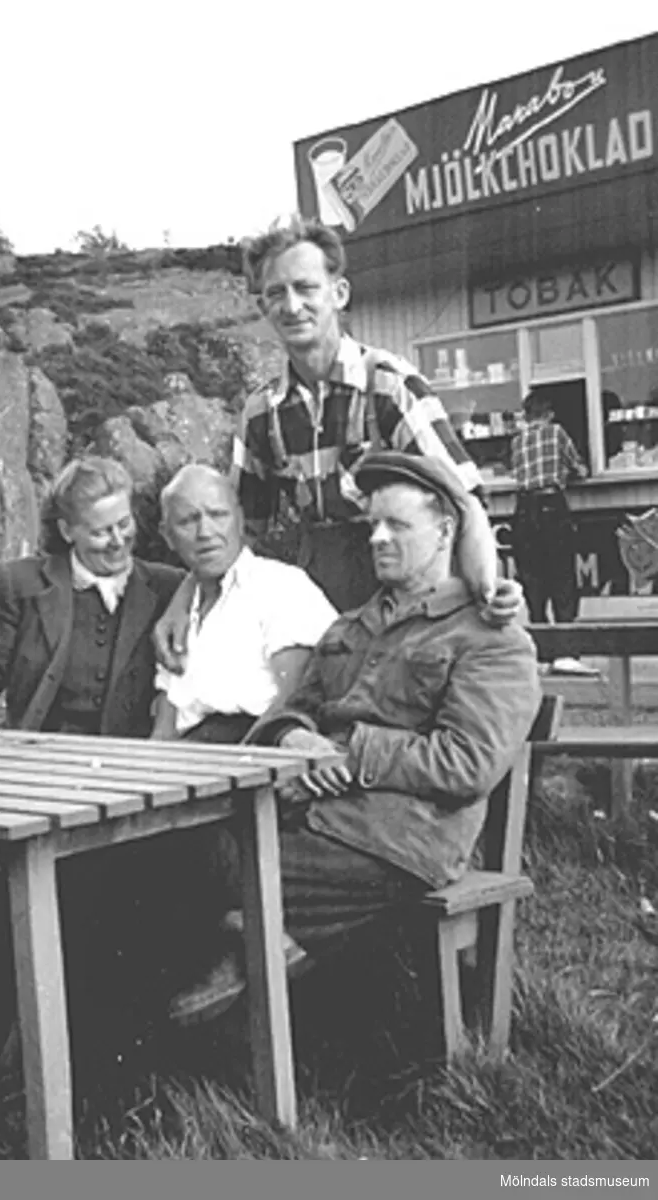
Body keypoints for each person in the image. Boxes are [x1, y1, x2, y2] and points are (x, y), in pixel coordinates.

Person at [173, 450, 541, 1019]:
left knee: (192, 864)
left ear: (446, 530)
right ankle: (252, 949)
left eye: (398, 525)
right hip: (311, 820)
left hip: (398, 841)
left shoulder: (490, 638)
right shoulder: (352, 626)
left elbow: (468, 762)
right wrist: (294, 739)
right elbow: (287, 710)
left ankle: (248, 956)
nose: (377, 538)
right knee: (175, 849)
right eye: (372, 524)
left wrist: (346, 754)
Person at [0, 456, 186, 1076]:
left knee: (100, 912)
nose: (120, 540)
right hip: (35, 775)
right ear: (66, 532)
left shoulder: (169, 585)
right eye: (101, 530)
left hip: (122, 779)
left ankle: (88, 1054)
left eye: (126, 523)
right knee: (18, 891)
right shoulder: (21, 584)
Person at [154, 214, 523, 666]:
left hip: (401, 590)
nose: (291, 306)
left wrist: (490, 588)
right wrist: (184, 600)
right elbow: (237, 530)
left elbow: (464, 501)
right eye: (275, 293)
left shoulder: (389, 387)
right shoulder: (261, 412)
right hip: (317, 597)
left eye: (305, 288)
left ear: (338, 293)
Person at [151, 463, 338, 744]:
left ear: (239, 520)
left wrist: (241, 762)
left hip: (256, 748)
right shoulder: (178, 612)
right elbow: (164, 728)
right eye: (188, 520)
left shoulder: (281, 586)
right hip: (190, 757)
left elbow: (297, 700)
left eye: (218, 515)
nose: (205, 531)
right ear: (167, 535)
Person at [509, 387, 595, 676]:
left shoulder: (517, 441)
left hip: (522, 510)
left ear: (526, 415)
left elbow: (518, 473)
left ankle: (541, 653)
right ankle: (566, 652)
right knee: (562, 578)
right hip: (550, 505)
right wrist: (574, 472)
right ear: (549, 414)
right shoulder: (556, 433)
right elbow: (579, 468)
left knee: (534, 581)